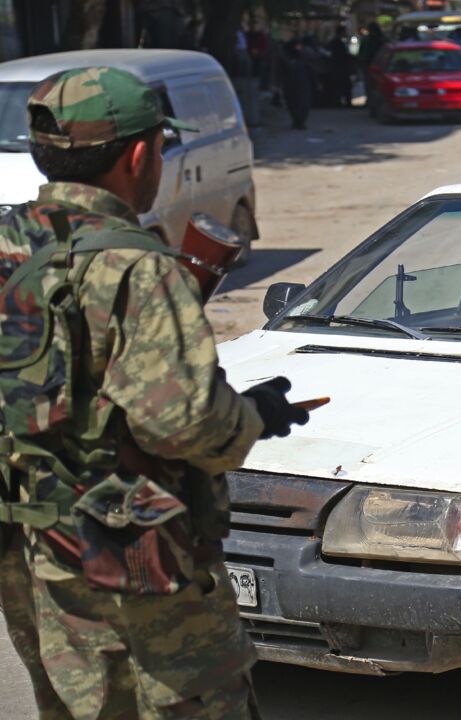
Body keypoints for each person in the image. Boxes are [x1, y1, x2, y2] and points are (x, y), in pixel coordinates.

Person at [0, 67, 309, 718]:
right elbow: (183, 423)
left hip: (29, 548)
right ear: (139, 155)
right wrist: (253, 415)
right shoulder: (139, 266)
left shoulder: (9, 246)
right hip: (131, 561)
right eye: (162, 148)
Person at [280, 36, 313, 129]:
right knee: (292, 103)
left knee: (303, 103)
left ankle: (300, 121)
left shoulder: (303, 55)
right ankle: (297, 121)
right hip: (290, 84)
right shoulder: (285, 56)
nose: (299, 48)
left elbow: (309, 69)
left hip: (302, 83)